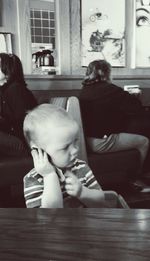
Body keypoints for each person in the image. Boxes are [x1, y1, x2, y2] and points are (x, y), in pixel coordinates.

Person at [80, 59, 150, 191]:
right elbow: (137, 109)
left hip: (86, 140)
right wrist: (135, 97)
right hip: (102, 142)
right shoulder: (111, 90)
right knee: (144, 141)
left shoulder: (84, 90)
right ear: (107, 73)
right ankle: (136, 178)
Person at [23, 104, 105, 208]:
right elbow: (48, 218)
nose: (75, 150)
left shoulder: (81, 167)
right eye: (65, 147)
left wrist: (83, 193)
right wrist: (49, 176)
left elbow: (101, 201)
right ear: (39, 151)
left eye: (75, 141)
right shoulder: (33, 179)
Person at [0, 53, 37, 156]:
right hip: (16, 137)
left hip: (24, 142)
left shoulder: (15, 90)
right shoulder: (6, 90)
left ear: (8, 71)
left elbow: (22, 123)